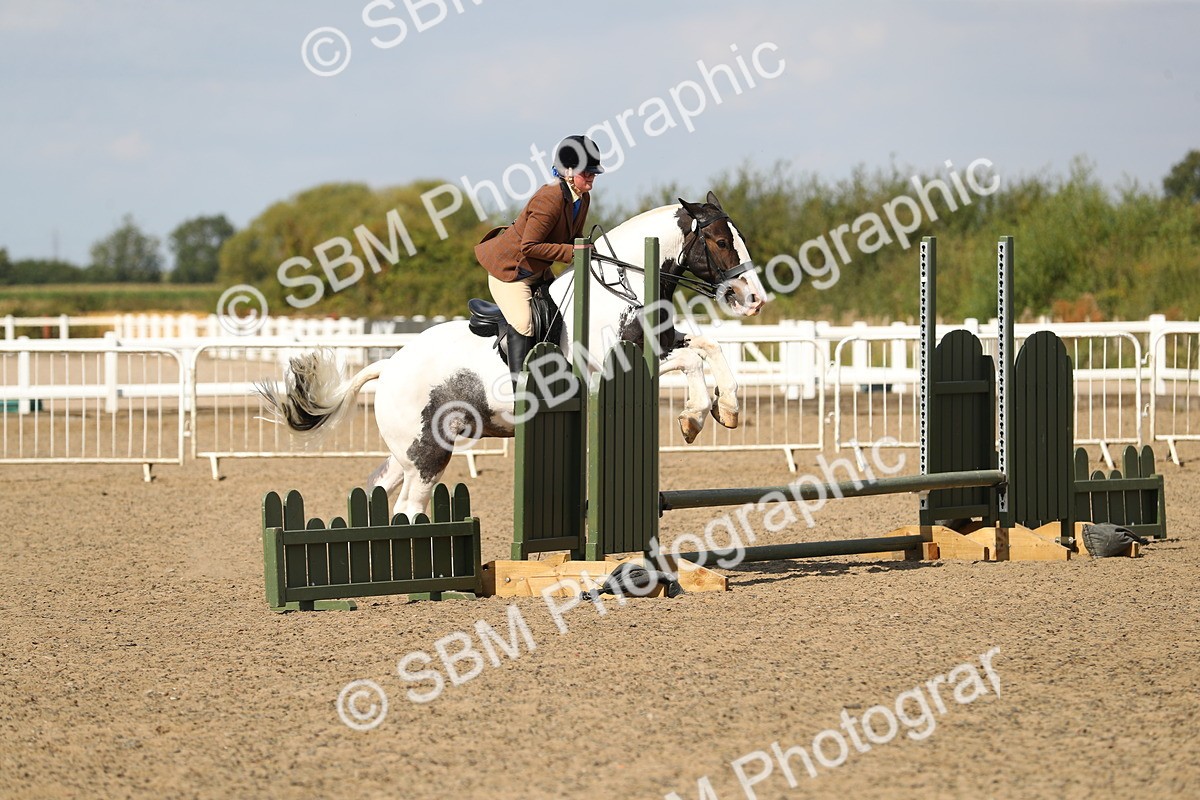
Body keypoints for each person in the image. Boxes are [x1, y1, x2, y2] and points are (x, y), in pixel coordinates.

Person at [475, 134, 603, 385]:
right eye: (585, 172)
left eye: (593, 172)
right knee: (525, 324)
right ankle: (519, 391)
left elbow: (573, 237)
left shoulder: (582, 198)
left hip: (538, 271)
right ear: (568, 172)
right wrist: (574, 253)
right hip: (511, 273)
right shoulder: (550, 198)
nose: (591, 176)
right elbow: (530, 246)